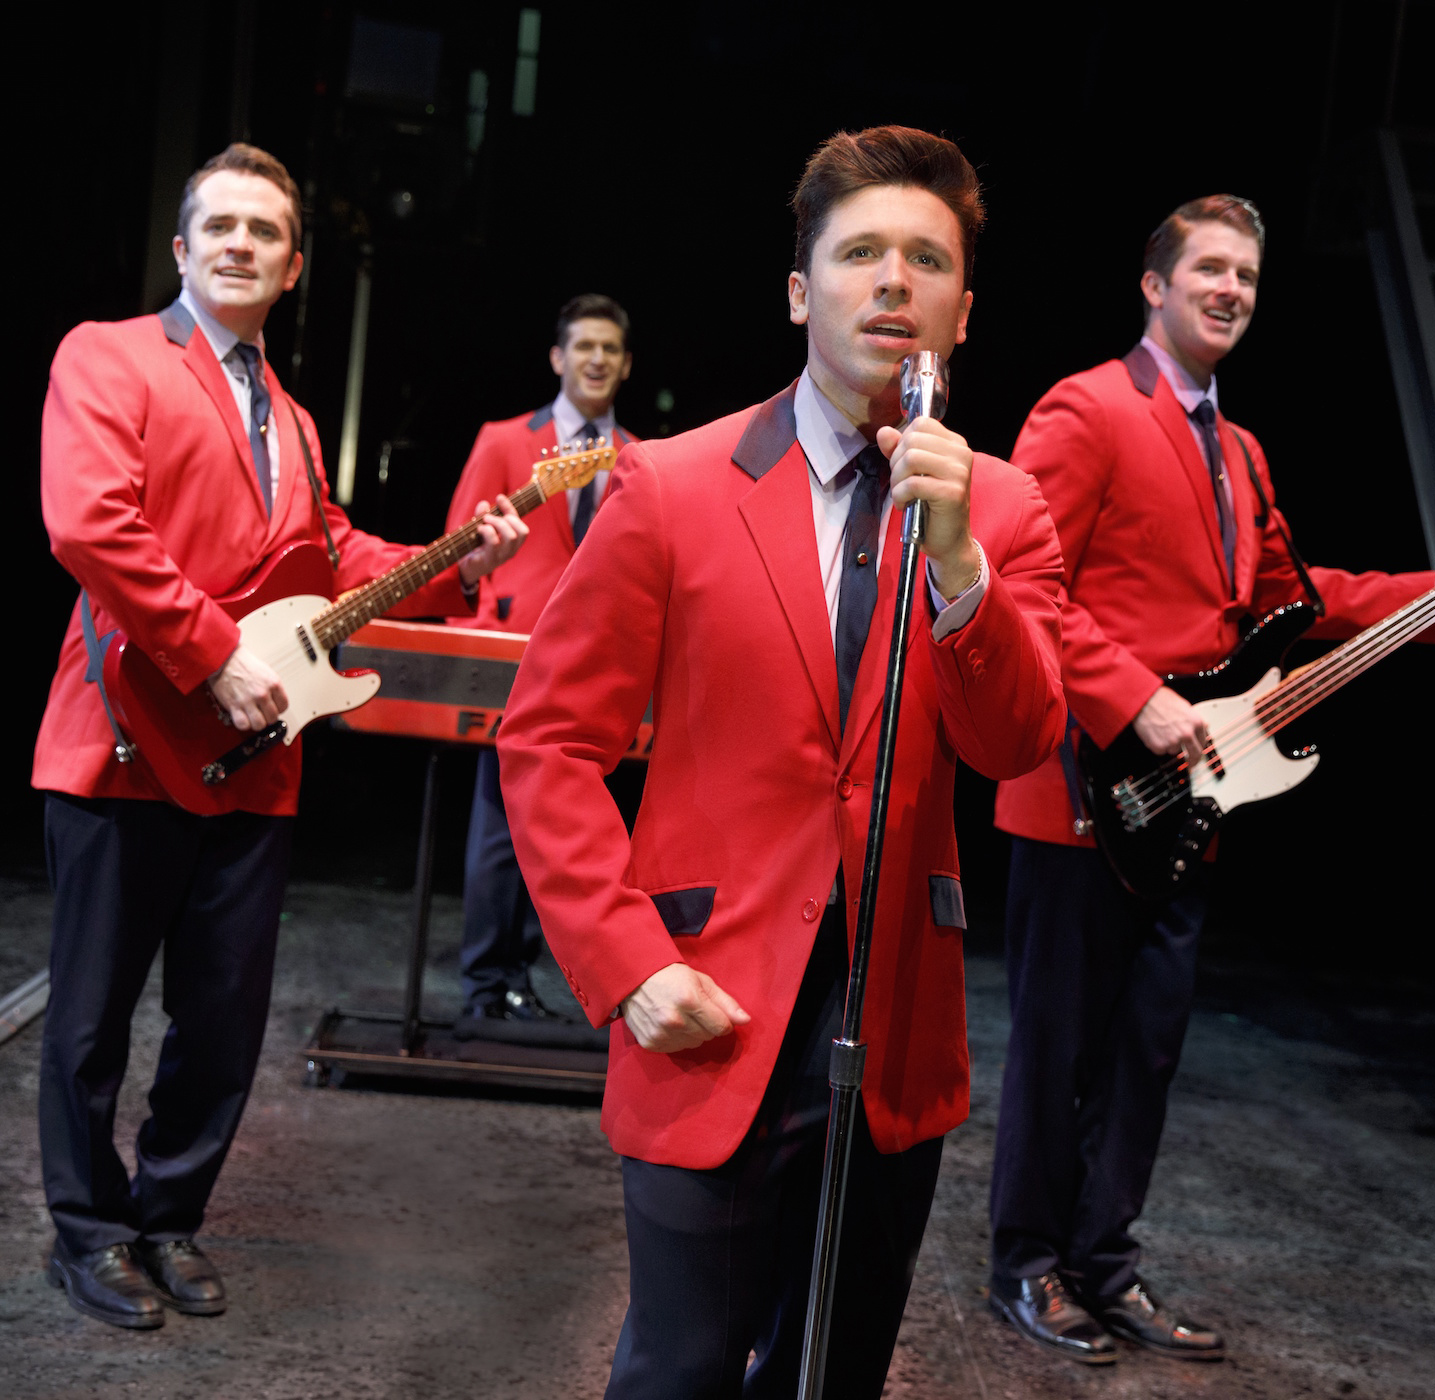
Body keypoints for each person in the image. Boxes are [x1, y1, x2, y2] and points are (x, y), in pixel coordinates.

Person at [497, 126, 1067, 1399]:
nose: (894, 280)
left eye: (928, 260)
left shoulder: (1004, 511)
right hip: (707, 1000)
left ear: (963, 313)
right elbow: (548, 741)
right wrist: (626, 961)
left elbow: (1017, 742)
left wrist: (960, 561)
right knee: (682, 1368)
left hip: (894, 1017)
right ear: (802, 293)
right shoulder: (670, 486)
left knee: (835, 1372)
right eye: (860, 253)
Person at [985, 194, 1435, 1366]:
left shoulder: (1239, 451)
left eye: (1247, 275)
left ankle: (1103, 1261)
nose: (1230, 289)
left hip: (1194, 803)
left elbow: (1292, 602)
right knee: (1059, 1046)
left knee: (1144, 1052)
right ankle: (1026, 1262)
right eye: (1210, 269)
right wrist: (1133, 695)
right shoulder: (1086, 408)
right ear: (1155, 283)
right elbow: (1025, 583)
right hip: (1087, 788)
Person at [31, 142, 527, 1330]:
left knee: (222, 1020)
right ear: (182, 246)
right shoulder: (106, 354)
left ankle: (168, 1214)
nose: (240, 243)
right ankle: (88, 1231)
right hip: (126, 733)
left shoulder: (295, 420)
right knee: (91, 1018)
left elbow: (333, 555)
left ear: (295, 266)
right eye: (221, 224)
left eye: (265, 230)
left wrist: (460, 559)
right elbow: (91, 525)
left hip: (254, 759)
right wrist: (214, 651)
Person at [444, 295, 641, 1024]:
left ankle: (529, 980)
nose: (597, 359)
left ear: (626, 365)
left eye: (610, 348)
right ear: (559, 357)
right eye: (584, 345)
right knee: (500, 830)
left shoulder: (641, 458)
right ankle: (485, 986)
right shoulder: (504, 441)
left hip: (599, 667)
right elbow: (460, 551)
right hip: (512, 660)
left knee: (571, 832)